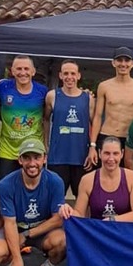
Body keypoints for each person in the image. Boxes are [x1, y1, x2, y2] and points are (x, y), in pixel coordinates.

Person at [0, 139, 67, 266]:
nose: (32, 163)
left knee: (63, 242)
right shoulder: (6, 184)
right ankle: (13, 263)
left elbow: (58, 219)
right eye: (27, 158)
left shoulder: (55, 181)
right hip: (15, 229)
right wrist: (18, 259)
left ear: (44, 158)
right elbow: (9, 223)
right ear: (20, 160)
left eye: (37, 157)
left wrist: (27, 234)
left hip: (42, 230)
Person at [88, 46, 133, 165]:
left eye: (126, 61)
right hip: (106, 134)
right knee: (104, 176)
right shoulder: (104, 86)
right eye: (119, 60)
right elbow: (97, 116)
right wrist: (92, 145)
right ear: (113, 63)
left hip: (130, 138)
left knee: (127, 175)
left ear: (132, 64)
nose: (123, 64)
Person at [60, 135, 133, 222]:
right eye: (107, 153)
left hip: (124, 232)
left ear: (122, 154)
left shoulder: (132, 177)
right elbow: (79, 214)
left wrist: (113, 220)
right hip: (98, 232)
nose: (111, 158)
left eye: (115, 153)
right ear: (100, 153)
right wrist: (68, 211)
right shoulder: (87, 180)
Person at [0, 54, 49, 181]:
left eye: (26, 69)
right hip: (7, 151)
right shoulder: (3, 87)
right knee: (2, 189)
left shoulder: (42, 91)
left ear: (33, 71)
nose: (23, 73)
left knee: (33, 188)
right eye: (18, 69)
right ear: (12, 71)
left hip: (33, 149)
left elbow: (46, 117)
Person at [43, 59, 93, 197]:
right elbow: (45, 119)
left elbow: (94, 124)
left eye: (72, 73)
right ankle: (55, 220)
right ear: (60, 75)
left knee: (84, 198)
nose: (69, 77)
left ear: (78, 76)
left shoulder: (88, 98)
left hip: (81, 158)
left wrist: (92, 148)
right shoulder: (52, 96)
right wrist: (45, 143)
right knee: (54, 198)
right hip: (58, 157)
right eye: (66, 73)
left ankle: (81, 220)